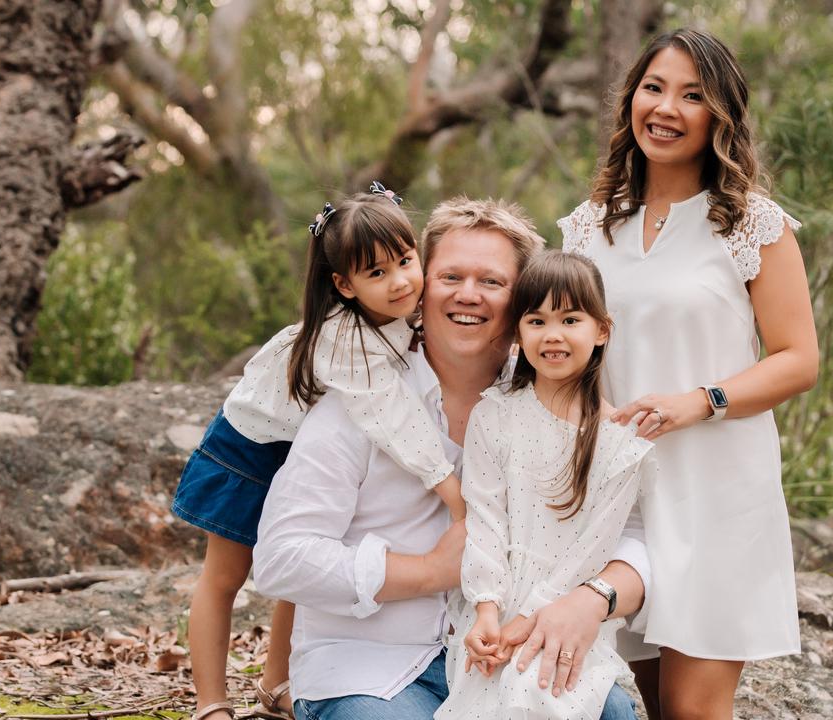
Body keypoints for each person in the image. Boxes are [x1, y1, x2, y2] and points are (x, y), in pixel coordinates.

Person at [252, 198, 648, 720]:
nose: (468, 295)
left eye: (492, 282)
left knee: (613, 714)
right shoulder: (363, 402)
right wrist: (429, 571)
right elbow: (281, 559)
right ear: (421, 287)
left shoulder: (558, 403)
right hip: (369, 666)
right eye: (451, 276)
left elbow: (633, 534)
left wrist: (594, 598)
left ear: (521, 300)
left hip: (510, 653)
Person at [558, 28, 820, 720]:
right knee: (641, 700)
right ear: (631, 101)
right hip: (616, 499)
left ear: (720, 117)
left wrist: (698, 402)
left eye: (692, 95)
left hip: (717, 496)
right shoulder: (586, 230)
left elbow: (799, 359)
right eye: (654, 88)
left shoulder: (752, 224)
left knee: (691, 710)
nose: (666, 108)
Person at [171, 185, 464, 720]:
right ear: (343, 285)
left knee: (312, 563)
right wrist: (450, 487)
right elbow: (392, 419)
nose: (400, 280)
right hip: (251, 449)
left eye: (405, 260)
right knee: (225, 577)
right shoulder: (342, 338)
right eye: (377, 273)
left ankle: (277, 681)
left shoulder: (402, 313)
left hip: (307, 442)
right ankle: (211, 702)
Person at [437, 251, 655, 719]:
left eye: (570, 319)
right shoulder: (495, 414)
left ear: (602, 330)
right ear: (519, 333)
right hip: (490, 613)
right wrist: (488, 612)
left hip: (563, 620)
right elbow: (485, 520)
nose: (552, 335)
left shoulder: (621, 444)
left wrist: (527, 621)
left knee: (566, 701)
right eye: (536, 321)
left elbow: (591, 552)